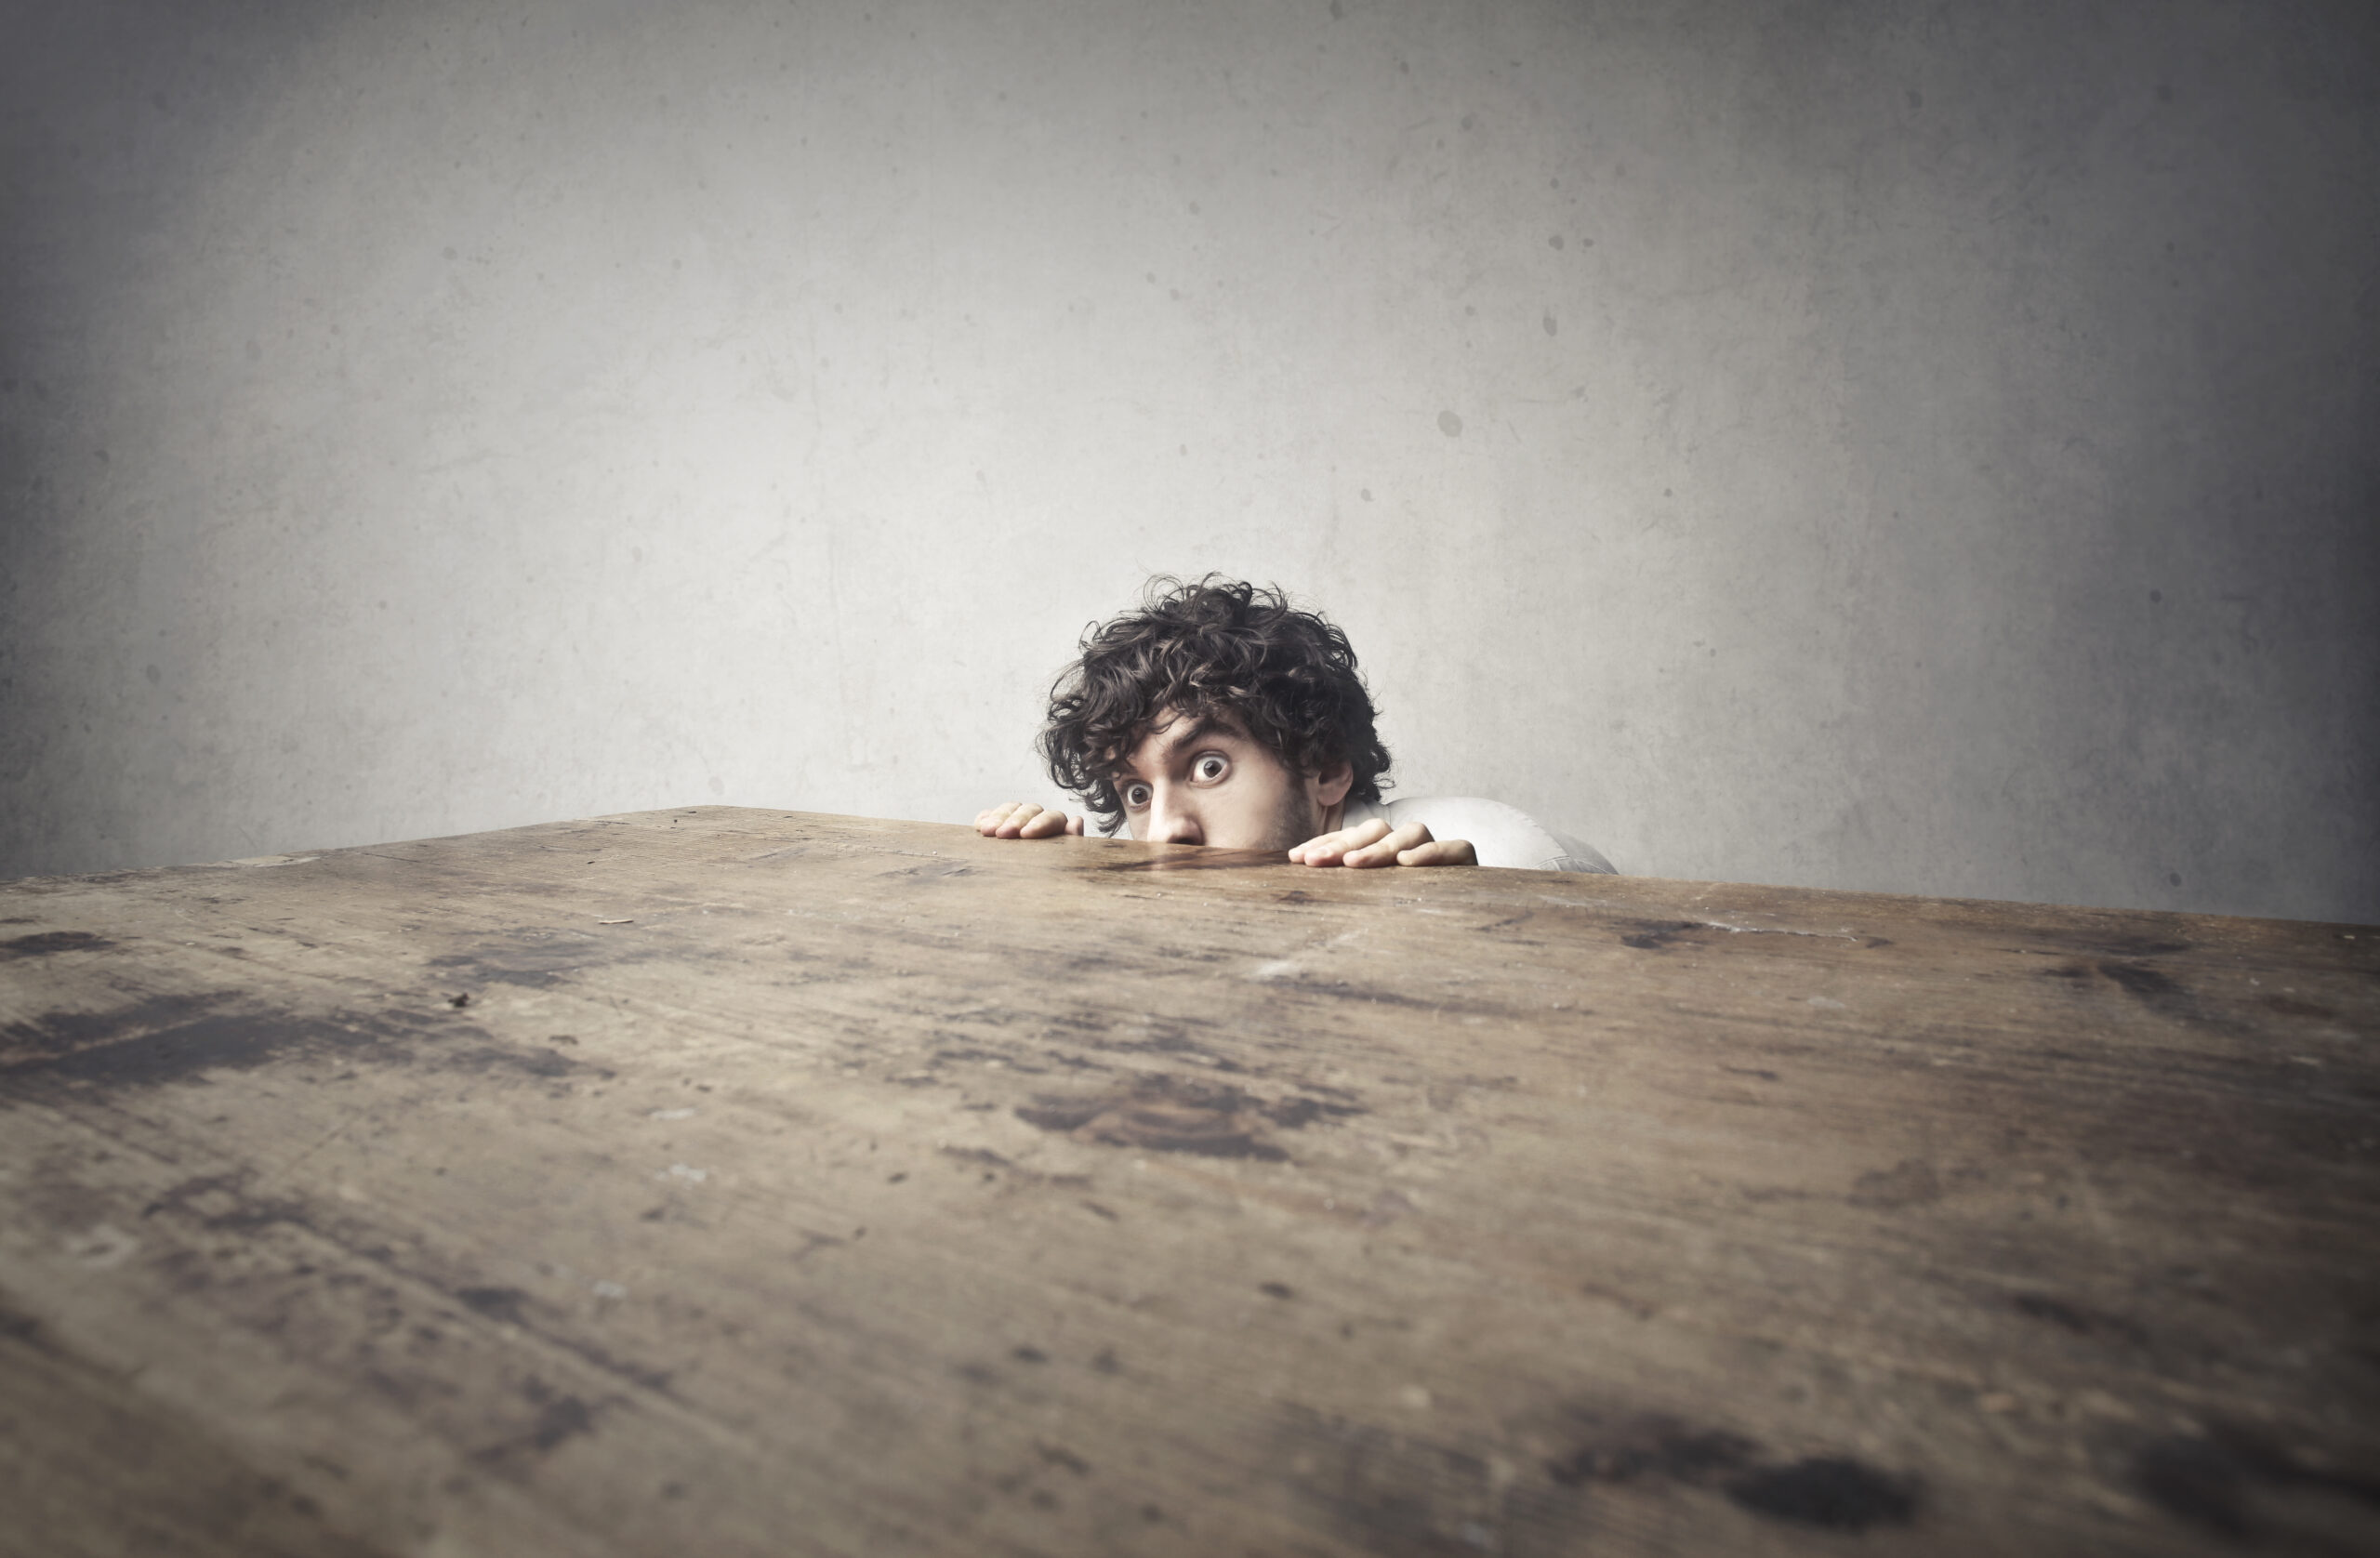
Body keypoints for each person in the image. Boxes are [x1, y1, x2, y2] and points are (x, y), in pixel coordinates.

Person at [975, 576, 1616, 874]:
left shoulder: (1499, 857)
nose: (1165, 832)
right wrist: (1049, 890)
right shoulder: (1227, 896)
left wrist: (1471, 924)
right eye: (1136, 793)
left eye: (1208, 767)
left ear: (1328, 768)